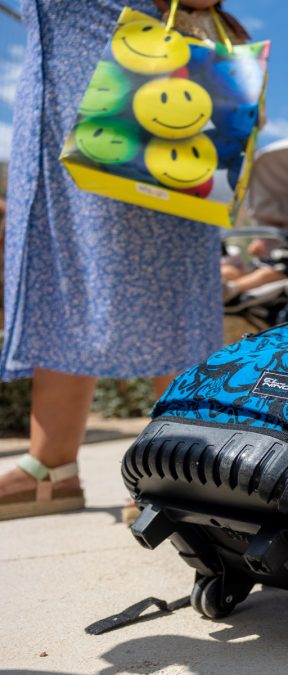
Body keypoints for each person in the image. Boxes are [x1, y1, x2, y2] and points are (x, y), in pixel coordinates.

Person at [0, 0, 225, 521]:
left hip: (142, 70)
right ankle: (50, 465)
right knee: (59, 260)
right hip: (53, 83)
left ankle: (187, 456)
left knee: (159, 255)